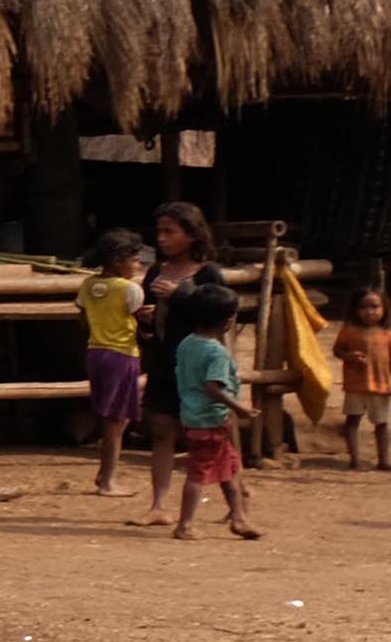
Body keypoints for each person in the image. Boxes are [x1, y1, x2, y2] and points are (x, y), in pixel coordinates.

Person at [133, 201, 223, 527]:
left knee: (213, 436)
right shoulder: (155, 273)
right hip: (163, 362)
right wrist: (145, 319)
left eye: (169, 231)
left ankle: (236, 504)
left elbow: (220, 313)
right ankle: (158, 504)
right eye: (159, 232)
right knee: (161, 430)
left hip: (198, 367)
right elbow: (146, 324)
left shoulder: (208, 273)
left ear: (191, 234)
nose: (162, 238)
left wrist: (182, 295)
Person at [169, 280, 260, 542]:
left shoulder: (187, 343)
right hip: (209, 421)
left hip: (193, 416)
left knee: (229, 468)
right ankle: (185, 525)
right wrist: (240, 407)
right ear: (228, 321)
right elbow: (213, 387)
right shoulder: (217, 353)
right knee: (198, 473)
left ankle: (239, 517)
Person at [76, 231, 149, 496]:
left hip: (96, 352)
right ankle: (107, 480)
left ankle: (104, 474)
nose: (139, 265)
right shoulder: (129, 289)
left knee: (111, 416)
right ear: (119, 261)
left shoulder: (87, 285)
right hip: (122, 353)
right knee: (117, 421)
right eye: (135, 260)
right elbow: (138, 321)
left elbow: (83, 319)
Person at [334, 287, 391, 472]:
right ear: (355, 309)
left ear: (384, 308)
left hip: (381, 386)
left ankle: (383, 460)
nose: (369, 311)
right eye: (364, 307)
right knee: (353, 421)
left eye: (375, 306)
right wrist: (349, 356)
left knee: (382, 424)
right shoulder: (349, 330)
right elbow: (337, 350)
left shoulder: (388, 335)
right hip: (356, 386)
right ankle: (355, 459)